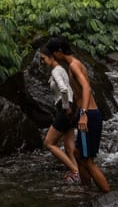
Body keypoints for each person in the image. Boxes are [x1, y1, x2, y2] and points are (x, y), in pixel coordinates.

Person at [43, 37, 110, 194]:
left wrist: (84, 114)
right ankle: (87, 193)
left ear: (59, 51)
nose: (53, 57)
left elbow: (86, 88)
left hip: (90, 115)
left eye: (53, 53)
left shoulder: (73, 65)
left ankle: (108, 196)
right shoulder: (74, 64)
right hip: (85, 112)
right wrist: (73, 110)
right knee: (78, 154)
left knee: (87, 161)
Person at [40, 45, 80, 184]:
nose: (42, 62)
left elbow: (63, 89)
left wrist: (66, 107)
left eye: (43, 58)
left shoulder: (56, 71)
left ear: (51, 57)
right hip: (70, 108)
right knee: (69, 147)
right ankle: (80, 172)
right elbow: (69, 89)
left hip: (64, 109)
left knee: (49, 143)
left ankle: (75, 171)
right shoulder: (61, 69)